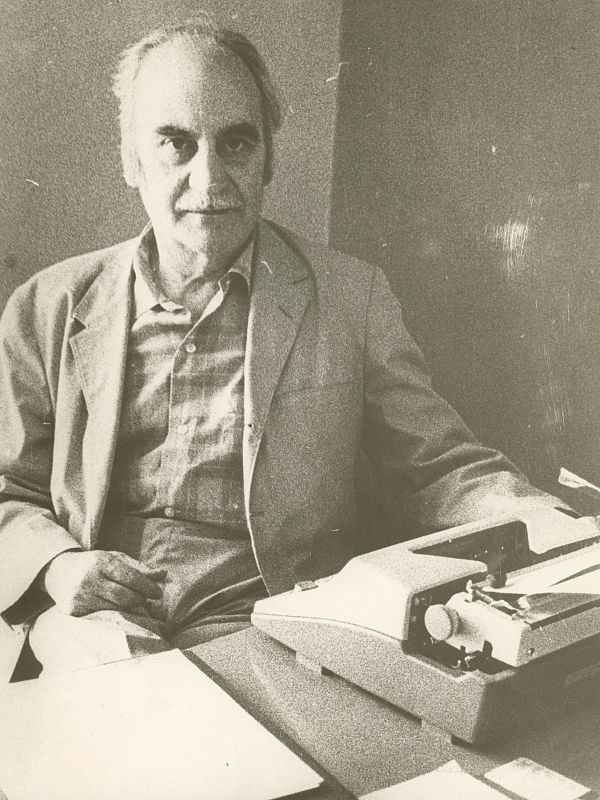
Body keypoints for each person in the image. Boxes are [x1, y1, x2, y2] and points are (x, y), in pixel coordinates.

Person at [0, 21, 592, 674]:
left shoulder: (351, 298)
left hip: (267, 627)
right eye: (176, 143)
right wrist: (58, 565)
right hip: (96, 624)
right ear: (131, 159)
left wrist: (561, 529)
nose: (209, 179)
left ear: (269, 159)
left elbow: (438, 466)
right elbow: (7, 490)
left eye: (236, 143)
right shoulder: (46, 305)